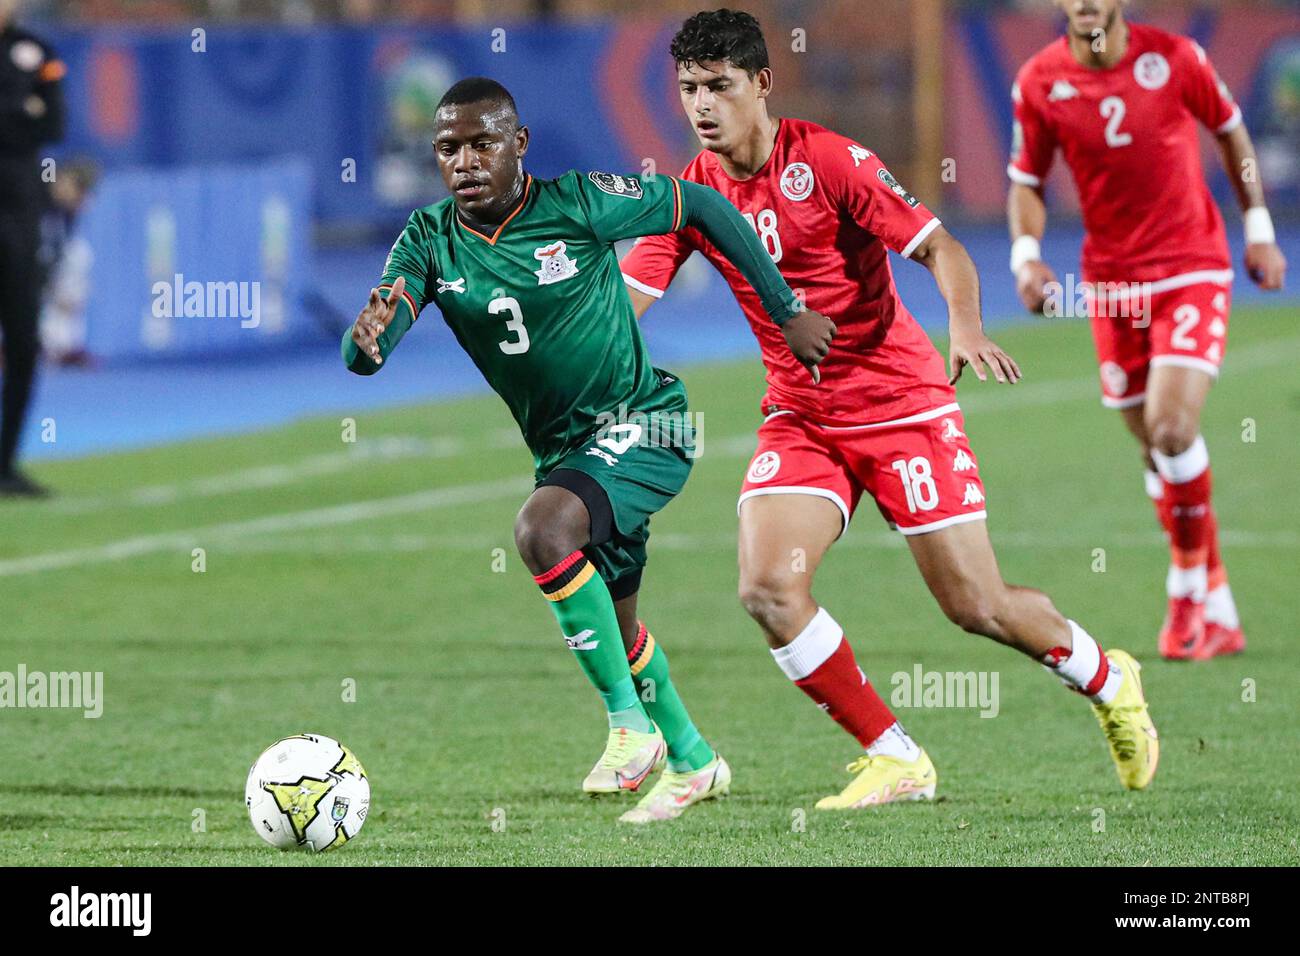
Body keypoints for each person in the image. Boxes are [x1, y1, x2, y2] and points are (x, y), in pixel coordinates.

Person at [620, 8, 1157, 808]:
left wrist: (965, 325)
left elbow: (941, 245)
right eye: (689, 88)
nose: (701, 106)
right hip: (802, 417)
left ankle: (1109, 679)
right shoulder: (690, 194)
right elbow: (629, 295)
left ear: (761, 83)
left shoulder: (830, 161)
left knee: (975, 606)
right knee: (768, 587)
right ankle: (895, 755)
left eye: (719, 87)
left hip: (902, 405)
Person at [344, 76, 836, 823]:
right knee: (619, 625)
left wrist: (784, 304)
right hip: (570, 456)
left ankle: (627, 729)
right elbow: (372, 347)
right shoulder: (429, 238)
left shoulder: (576, 201)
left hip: (653, 422)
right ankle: (694, 759)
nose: (466, 161)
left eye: (482, 143)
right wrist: (366, 340)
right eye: (449, 149)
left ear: (519, 144)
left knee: (541, 530)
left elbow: (698, 204)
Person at [1007, 0, 1287, 661]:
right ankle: (1217, 601)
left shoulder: (1177, 58)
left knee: (1171, 426)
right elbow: (1025, 180)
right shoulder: (1039, 81)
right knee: (1155, 446)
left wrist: (1260, 230)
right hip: (1111, 282)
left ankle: (1187, 588)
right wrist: (1026, 257)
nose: (1084, 4)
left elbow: (1232, 132)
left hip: (1192, 263)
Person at [0, 0, 65, 497]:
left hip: (19, 214)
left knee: (24, 340)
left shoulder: (36, 49)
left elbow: (54, 123)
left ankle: (5, 463)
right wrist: (21, 109)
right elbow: (29, 117)